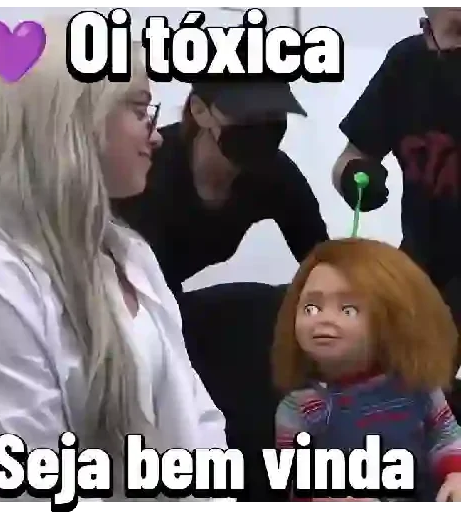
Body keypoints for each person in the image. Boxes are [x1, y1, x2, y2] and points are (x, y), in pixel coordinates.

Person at [0, 18, 228, 502]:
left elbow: (197, 421)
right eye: (140, 109)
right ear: (77, 118)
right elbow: (25, 477)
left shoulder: (129, 253)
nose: (157, 136)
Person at [114, 81, 328, 500]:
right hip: (129, 303)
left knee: (278, 311)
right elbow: (147, 303)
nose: (262, 127)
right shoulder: (152, 176)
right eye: (247, 115)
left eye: (274, 116)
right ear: (200, 111)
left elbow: (323, 263)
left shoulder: (272, 173)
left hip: (169, 297)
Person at [331, 6, 461, 418]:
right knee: (399, 401)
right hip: (423, 263)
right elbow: (351, 157)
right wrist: (354, 176)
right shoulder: (406, 65)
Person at [273, 237, 461, 502]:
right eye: (311, 308)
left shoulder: (418, 386)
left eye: (348, 309)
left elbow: (445, 438)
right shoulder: (301, 408)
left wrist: (455, 474)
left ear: (394, 318)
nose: (324, 319)